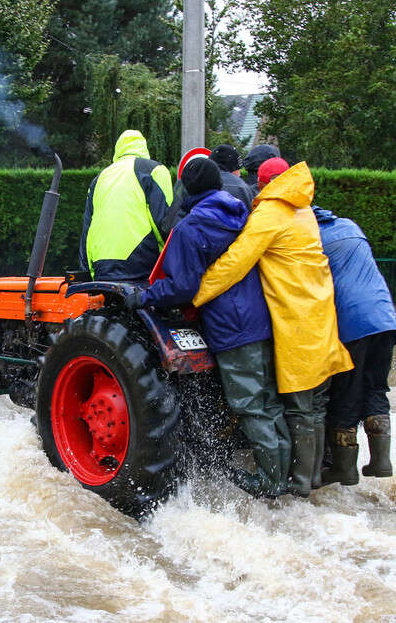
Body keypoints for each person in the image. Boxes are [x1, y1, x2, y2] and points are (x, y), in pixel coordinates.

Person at [125, 157, 289, 497]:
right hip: (262, 320)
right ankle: (286, 474)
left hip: (231, 327)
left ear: (187, 188)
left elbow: (183, 286)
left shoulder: (191, 228)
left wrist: (144, 296)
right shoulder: (242, 216)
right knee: (269, 401)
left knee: (249, 404)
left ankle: (272, 482)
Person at [193, 159, 353, 497]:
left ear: (263, 183)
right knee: (316, 405)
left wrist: (197, 293)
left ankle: (295, 483)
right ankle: (310, 479)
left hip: (296, 322)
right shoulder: (303, 209)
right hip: (322, 317)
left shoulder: (271, 213)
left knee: (297, 405)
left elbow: (236, 261)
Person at [312, 206, 396, 486]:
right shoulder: (350, 225)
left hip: (352, 322)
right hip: (384, 317)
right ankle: (381, 460)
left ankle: (344, 468)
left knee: (346, 392)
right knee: (375, 386)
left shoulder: (311, 238)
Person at [79, 130, 176, 281]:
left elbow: (87, 231)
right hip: (141, 264)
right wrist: (173, 267)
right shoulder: (154, 170)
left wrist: (88, 273)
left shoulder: (98, 179)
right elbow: (164, 222)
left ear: (118, 150)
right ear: (144, 148)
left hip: (101, 266)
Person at [209, 144, 253, 209]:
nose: (239, 174)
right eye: (239, 168)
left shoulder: (196, 183)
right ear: (233, 167)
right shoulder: (241, 188)